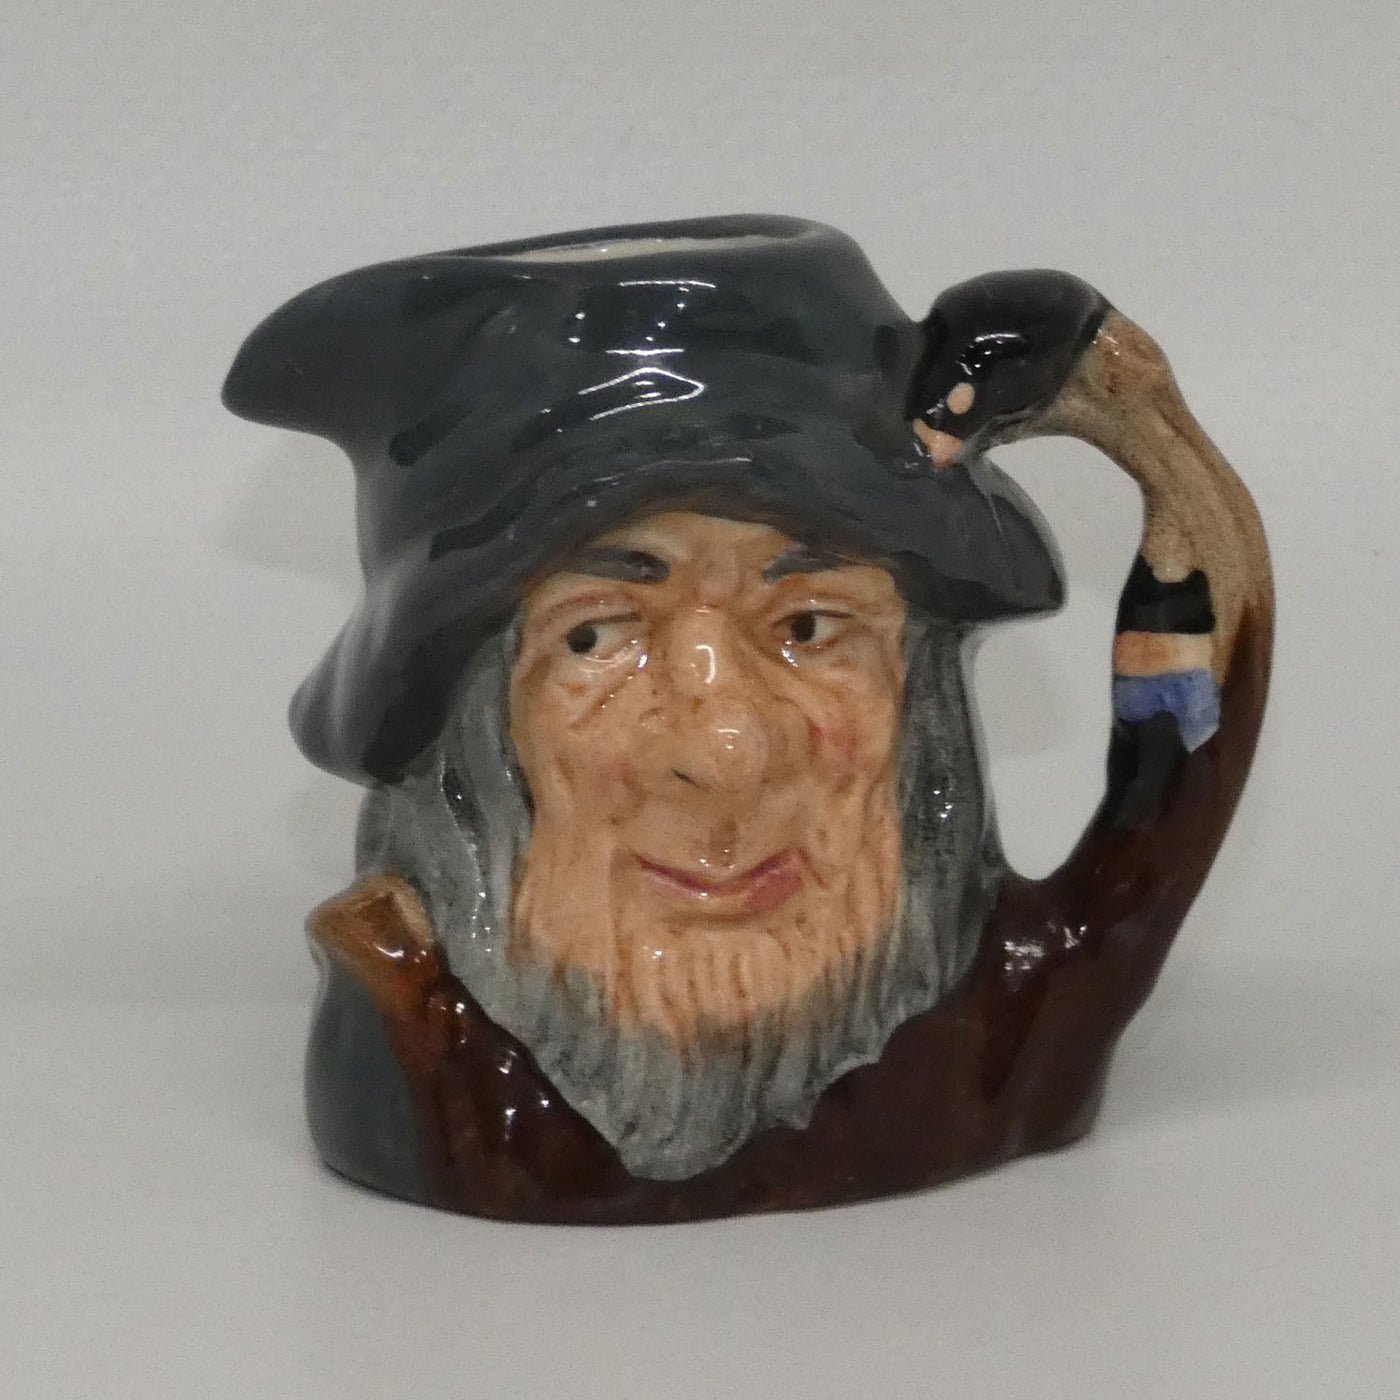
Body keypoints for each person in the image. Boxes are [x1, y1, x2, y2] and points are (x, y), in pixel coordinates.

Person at [224, 217, 1271, 1221]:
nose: (726, 748)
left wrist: (1148, 427)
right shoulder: (419, 1058)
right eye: (597, 636)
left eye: (809, 626)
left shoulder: (1000, 1031)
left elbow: (1173, 777)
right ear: (467, 724)